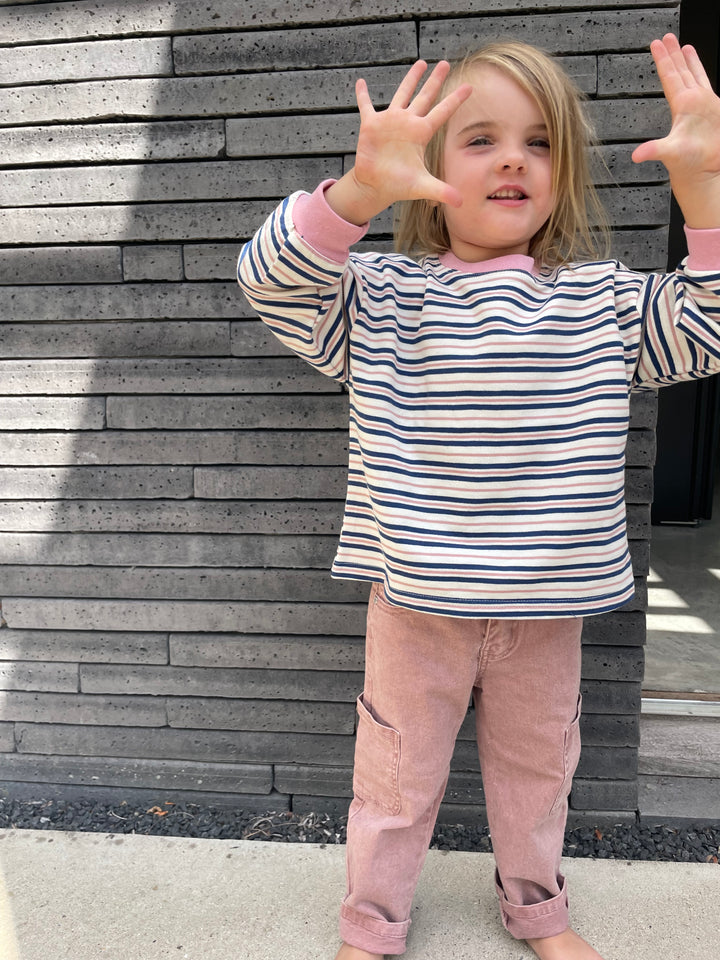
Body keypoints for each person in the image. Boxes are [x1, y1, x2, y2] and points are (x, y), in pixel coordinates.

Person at [237, 34, 720, 960]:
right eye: (481, 139)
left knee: (539, 775)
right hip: (415, 604)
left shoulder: (604, 303)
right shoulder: (379, 297)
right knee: (394, 779)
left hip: (546, 609)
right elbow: (270, 279)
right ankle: (372, 925)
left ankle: (539, 912)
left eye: (539, 143)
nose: (512, 160)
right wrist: (359, 192)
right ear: (432, 168)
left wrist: (703, 189)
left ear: (563, 173)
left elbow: (709, 323)